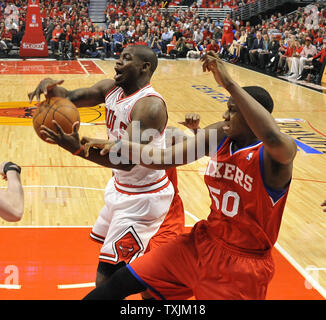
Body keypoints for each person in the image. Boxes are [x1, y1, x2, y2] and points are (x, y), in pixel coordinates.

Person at [78, 51, 297, 300]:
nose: (225, 115)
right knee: (117, 285)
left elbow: (271, 137)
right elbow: (162, 159)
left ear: (252, 118)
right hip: (200, 243)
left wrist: (229, 83)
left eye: (233, 111)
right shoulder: (221, 134)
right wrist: (119, 145)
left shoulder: (275, 157)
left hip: (242, 265)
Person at [28, 45, 186, 296]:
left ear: (144, 67)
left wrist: (78, 149)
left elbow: (127, 160)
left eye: (126, 59)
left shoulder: (149, 107)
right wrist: (51, 88)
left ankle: (172, 284)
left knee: (107, 282)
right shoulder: (110, 88)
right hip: (121, 188)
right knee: (140, 277)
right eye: (119, 58)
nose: (117, 63)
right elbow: (68, 96)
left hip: (145, 198)